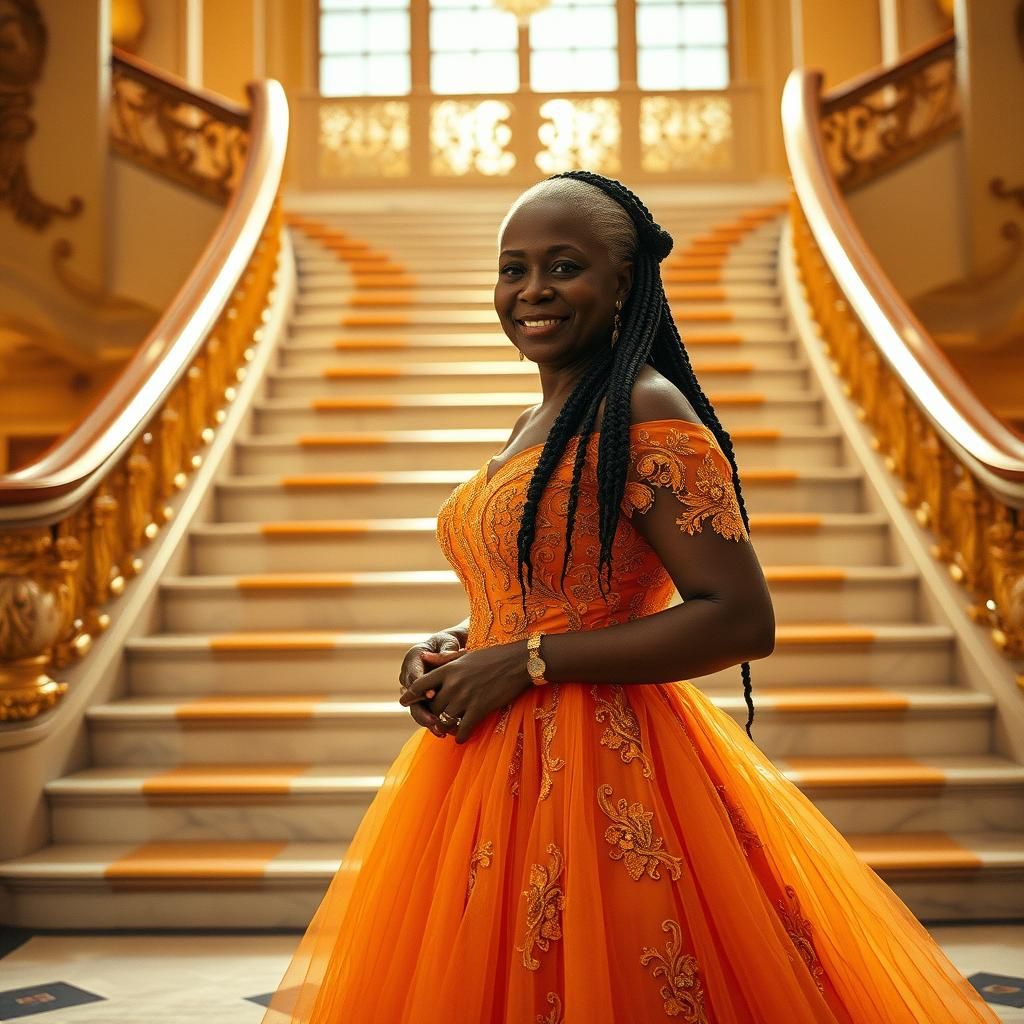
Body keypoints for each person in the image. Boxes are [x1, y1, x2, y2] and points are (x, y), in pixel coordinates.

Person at [260, 171, 999, 1023]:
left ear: (623, 285)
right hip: (482, 763)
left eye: (563, 266)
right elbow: (551, 584)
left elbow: (739, 616)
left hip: (604, 764)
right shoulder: (533, 421)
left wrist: (528, 660)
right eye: (513, 269)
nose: (532, 291)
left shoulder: (645, 408)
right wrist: (462, 642)